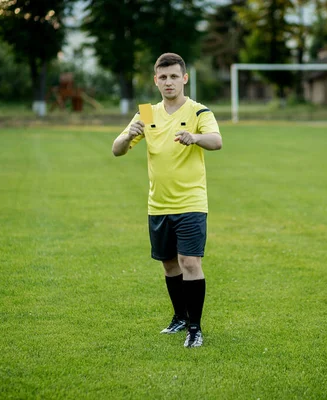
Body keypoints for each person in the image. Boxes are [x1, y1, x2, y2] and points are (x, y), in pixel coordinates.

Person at [112, 53, 222, 348]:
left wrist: (195, 138)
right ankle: (179, 318)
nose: (169, 81)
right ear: (156, 81)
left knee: (189, 262)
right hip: (158, 204)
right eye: (163, 77)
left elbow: (216, 141)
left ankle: (195, 329)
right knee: (169, 264)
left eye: (174, 76)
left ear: (184, 78)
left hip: (191, 202)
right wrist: (127, 137)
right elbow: (117, 149)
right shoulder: (146, 113)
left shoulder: (199, 112)